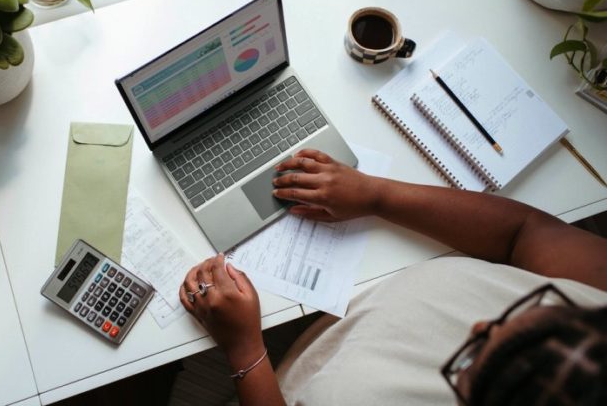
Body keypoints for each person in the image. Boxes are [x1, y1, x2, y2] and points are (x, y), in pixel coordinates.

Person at [179, 149, 607, 405]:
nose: (477, 325)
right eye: (537, 305)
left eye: (474, 359)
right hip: (348, 314)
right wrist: (377, 195)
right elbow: (525, 233)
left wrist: (244, 349)